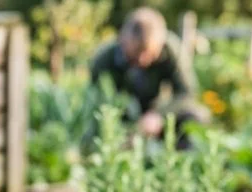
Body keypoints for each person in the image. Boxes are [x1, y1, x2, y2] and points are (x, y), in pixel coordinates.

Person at [89, 8, 207, 143]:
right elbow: (96, 100)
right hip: (121, 121)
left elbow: (187, 92)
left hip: (159, 114)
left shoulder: (171, 49)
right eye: (136, 53)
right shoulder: (104, 59)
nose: (142, 60)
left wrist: (158, 115)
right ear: (122, 39)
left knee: (195, 116)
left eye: (149, 54)